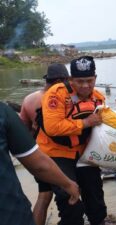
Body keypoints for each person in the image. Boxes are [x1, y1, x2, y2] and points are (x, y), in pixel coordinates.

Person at [36, 56, 107, 225]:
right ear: (70, 80)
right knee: (69, 199)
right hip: (56, 153)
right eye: (79, 81)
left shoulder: (99, 98)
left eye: (89, 80)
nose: (85, 85)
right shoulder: (56, 94)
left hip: (83, 152)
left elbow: (103, 130)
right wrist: (85, 122)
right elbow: (53, 127)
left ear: (95, 78)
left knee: (95, 195)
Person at [0, 101, 80, 225]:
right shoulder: (3, 112)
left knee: (43, 196)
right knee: (49, 196)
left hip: (42, 152)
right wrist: (68, 184)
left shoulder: (29, 100)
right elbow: (38, 165)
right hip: (9, 209)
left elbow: (26, 129)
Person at [19, 63, 70, 225]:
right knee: (70, 194)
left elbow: (23, 134)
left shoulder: (29, 99)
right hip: (61, 158)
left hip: (38, 158)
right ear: (62, 80)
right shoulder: (65, 97)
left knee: (44, 195)